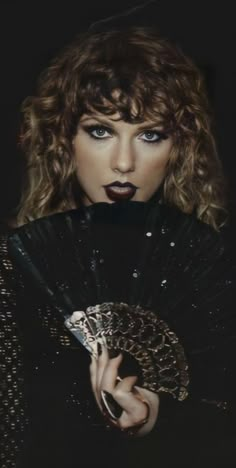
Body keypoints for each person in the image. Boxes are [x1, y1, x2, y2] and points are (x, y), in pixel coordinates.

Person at [0, 26, 235, 468]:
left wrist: (154, 418)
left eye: (150, 135)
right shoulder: (12, 273)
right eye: (100, 131)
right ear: (63, 140)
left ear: (180, 148)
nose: (124, 163)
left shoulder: (211, 273)